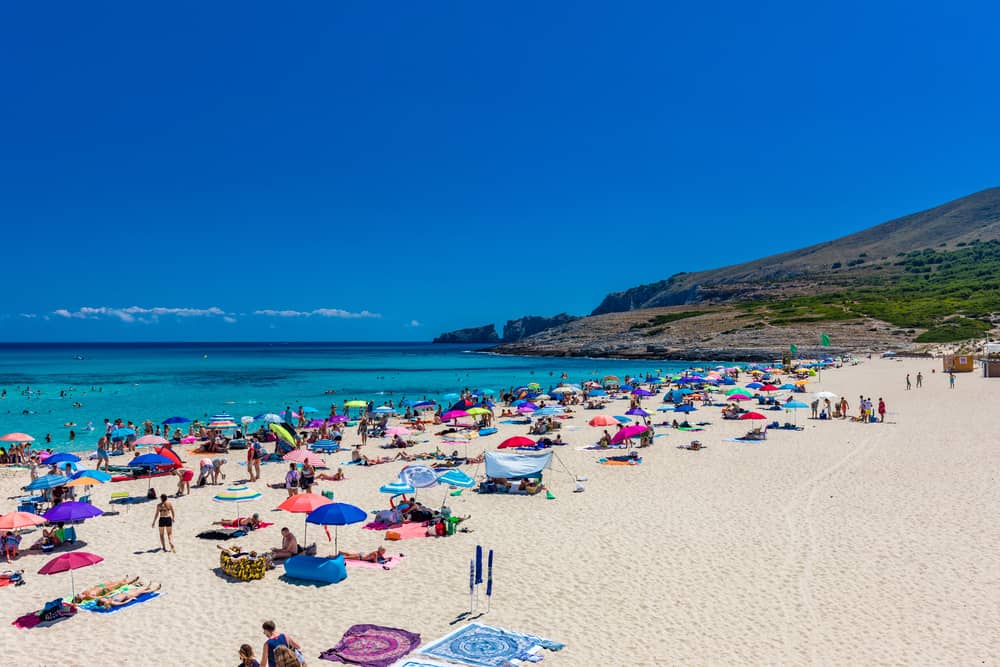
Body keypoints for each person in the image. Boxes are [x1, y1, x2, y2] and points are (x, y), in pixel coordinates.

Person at [72, 575, 140, 603]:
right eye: (77, 596)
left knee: (114, 582)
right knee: (119, 585)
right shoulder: (88, 597)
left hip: (101, 586)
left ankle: (124, 579)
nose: (78, 594)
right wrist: (109, 593)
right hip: (105, 590)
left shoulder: (83, 593)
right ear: (80, 599)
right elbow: (100, 597)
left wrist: (96, 586)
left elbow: (91, 588)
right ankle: (132, 581)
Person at [95, 582, 161, 609]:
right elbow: (122, 603)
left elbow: (103, 598)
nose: (104, 598)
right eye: (103, 599)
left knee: (137, 590)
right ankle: (155, 589)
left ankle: (148, 587)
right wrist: (131, 599)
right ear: (103, 602)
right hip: (128, 595)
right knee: (141, 591)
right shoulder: (112, 602)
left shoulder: (109, 599)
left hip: (125, 593)